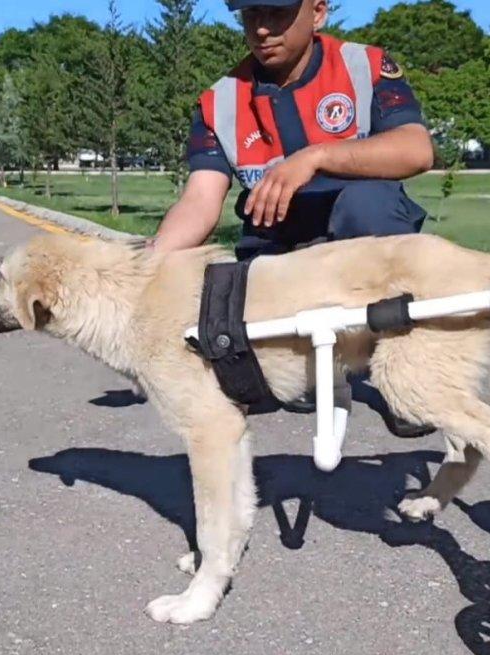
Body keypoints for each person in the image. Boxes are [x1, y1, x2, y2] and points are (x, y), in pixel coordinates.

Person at [146, 0, 436, 436]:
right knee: (236, 292)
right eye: (250, 16)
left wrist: (315, 157)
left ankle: (403, 375)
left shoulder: (365, 66)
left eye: (278, 13)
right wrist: (149, 264)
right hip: (280, 253)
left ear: (317, 12)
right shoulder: (219, 102)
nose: (262, 30)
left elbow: (416, 150)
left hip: (359, 241)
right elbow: (200, 201)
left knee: (368, 204)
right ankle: (306, 364)